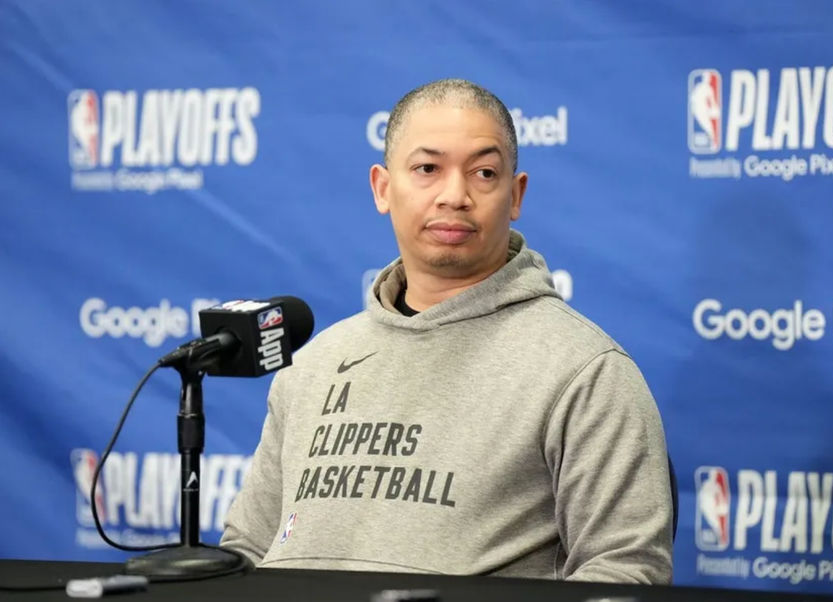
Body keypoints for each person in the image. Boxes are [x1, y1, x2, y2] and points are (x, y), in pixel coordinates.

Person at [221, 78, 673, 583]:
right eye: (427, 169)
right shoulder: (315, 364)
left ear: (516, 194)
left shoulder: (585, 370)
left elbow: (628, 571)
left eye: (483, 172)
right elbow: (248, 549)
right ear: (383, 188)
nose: (455, 195)